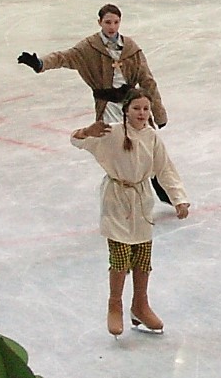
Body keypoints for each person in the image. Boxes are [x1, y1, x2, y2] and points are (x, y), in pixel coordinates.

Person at [19, 4, 175, 203]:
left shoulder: (130, 48)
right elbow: (64, 57)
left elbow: (147, 81)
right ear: (99, 22)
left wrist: (159, 113)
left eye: (116, 22)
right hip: (108, 107)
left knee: (145, 146)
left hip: (132, 106)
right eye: (108, 22)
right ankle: (124, 192)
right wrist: (40, 64)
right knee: (120, 148)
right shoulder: (89, 48)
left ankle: (162, 188)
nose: (112, 27)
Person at [71, 88, 189, 337]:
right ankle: (115, 304)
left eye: (146, 109)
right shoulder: (112, 132)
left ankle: (140, 305)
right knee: (121, 255)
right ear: (126, 110)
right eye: (136, 108)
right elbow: (77, 141)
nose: (142, 113)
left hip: (141, 201)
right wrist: (86, 131)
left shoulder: (152, 137)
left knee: (143, 256)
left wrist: (178, 199)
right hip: (116, 201)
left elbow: (165, 169)